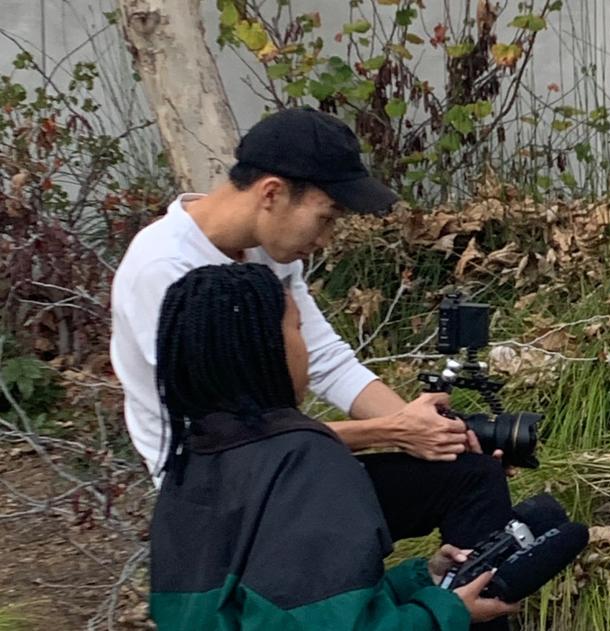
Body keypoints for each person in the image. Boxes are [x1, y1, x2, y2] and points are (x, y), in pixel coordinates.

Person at [109, 108, 514, 628]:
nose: (325, 239)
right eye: (327, 217)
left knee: (469, 476)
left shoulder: (266, 252)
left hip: (285, 472)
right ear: (273, 193)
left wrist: (433, 434)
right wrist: (387, 431)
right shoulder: (164, 272)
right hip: (221, 504)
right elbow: (224, 444)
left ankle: (469, 606)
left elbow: (326, 360)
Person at [148, 263, 518, 629]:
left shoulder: (186, 470)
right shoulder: (305, 461)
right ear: (267, 347)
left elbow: (282, 612)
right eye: (296, 329)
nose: (305, 348)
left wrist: (421, 579)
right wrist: (447, 612)